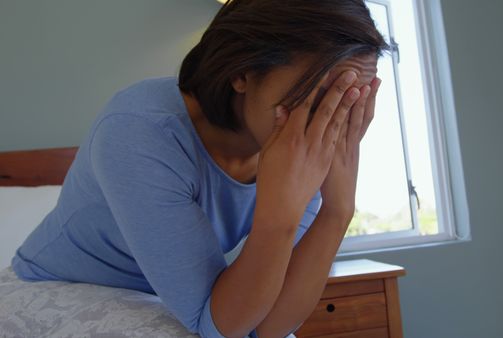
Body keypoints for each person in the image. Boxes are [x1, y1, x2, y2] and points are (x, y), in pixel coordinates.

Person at [11, 0, 388, 337]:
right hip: (55, 285)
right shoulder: (139, 128)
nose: (331, 123)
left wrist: (337, 211)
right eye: (320, 97)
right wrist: (280, 212)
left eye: (352, 102)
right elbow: (221, 326)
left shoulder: (299, 147)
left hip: (165, 296)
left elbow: (270, 328)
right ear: (241, 72)